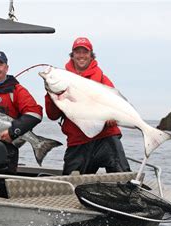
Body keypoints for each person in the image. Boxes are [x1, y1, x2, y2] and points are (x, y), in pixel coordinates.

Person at [45, 37, 131, 175]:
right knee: (71, 184)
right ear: (72, 55)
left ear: (91, 55)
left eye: (85, 52)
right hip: (77, 140)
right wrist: (50, 93)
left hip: (106, 138)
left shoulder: (102, 79)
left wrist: (113, 118)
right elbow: (52, 115)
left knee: (122, 177)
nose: (81, 55)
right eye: (77, 52)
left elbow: (115, 104)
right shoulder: (62, 78)